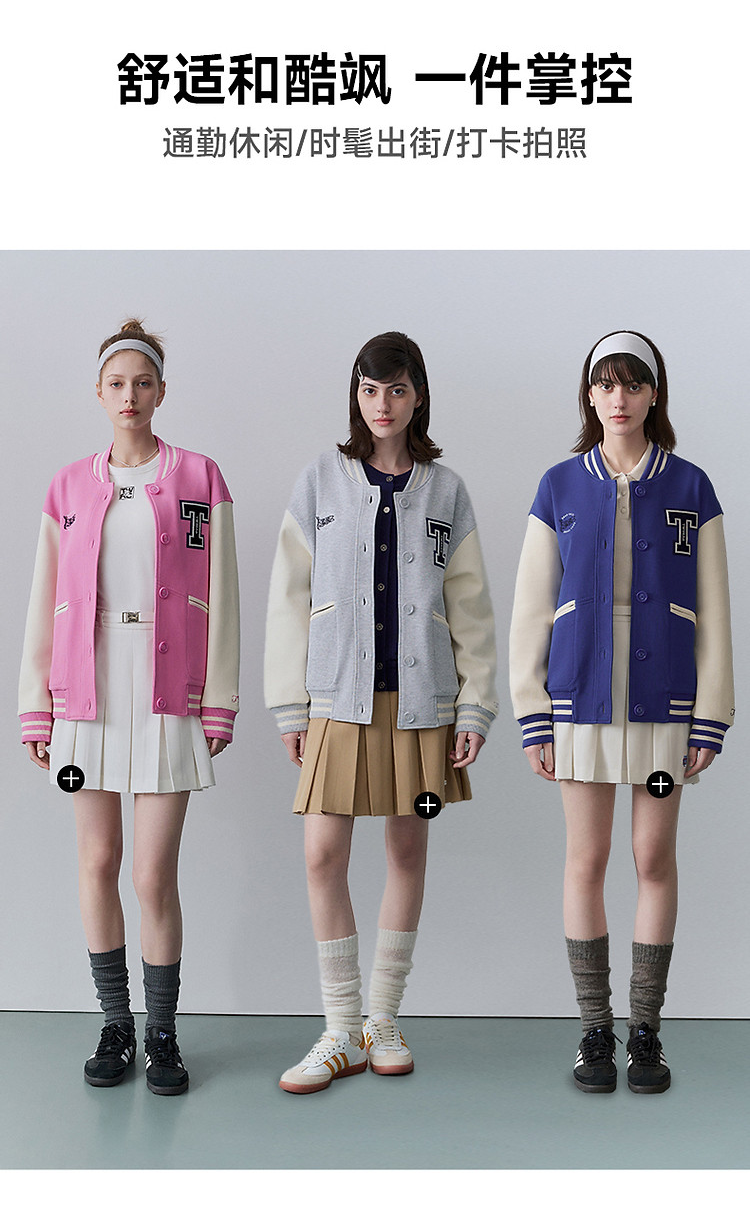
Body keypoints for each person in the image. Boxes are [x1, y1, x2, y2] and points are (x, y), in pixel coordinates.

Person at [265, 331, 498, 1094]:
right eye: (370, 389)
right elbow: (288, 598)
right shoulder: (320, 482)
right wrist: (290, 704)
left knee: (406, 851)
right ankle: (340, 1028)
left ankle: (383, 1019)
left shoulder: (446, 491)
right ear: (356, 396)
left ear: (417, 395)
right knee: (322, 854)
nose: (383, 403)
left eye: (396, 389)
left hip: (421, 704)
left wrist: (475, 706)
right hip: (338, 698)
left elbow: (470, 606)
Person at [18, 320, 240, 1095]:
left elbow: (223, 595)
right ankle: (115, 1024)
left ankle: (162, 1032)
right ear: (99, 392)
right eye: (117, 383)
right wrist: (35, 706)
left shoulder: (200, 478)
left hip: (167, 691)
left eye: (143, 383)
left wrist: (219, 701)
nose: (130, 396)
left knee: (152, 873)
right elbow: (44, 599)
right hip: (85, 694)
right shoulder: (67, 488)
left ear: (161, 392)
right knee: (98, 860)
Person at [510, 330, 734, 1094]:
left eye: (633, 384)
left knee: (654, 857)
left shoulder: (692, 487)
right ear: (589, 395)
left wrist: (710, 713)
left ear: (653, 394)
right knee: (586, 858)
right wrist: (533, 711)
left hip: (665, 709)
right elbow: (532, 607)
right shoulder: (559, 487)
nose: (619, 398)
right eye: (605, 384)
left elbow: (715, 610)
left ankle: (645, 1032)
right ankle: (593, 1031)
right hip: (579, 706)